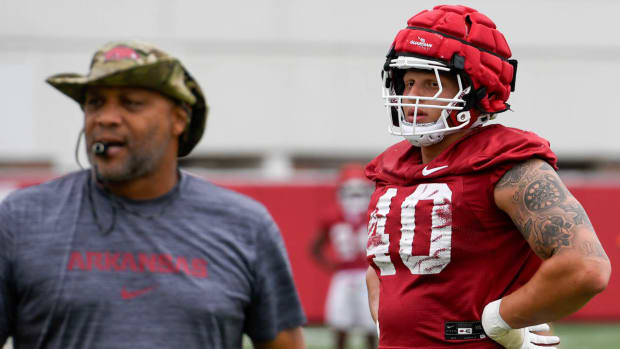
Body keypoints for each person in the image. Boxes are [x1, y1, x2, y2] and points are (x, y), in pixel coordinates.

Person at [0, 40, 306, 349]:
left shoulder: (245, 226)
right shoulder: (22, 219)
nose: (106, 117)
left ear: (179, 120)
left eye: (131, 103)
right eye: (95, 103)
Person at [364, 5, 611, 349]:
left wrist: (502, 320)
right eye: (407, 82)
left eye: (430, 84)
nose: (411, 97)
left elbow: (586, 268)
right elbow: (381, 266)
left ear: (474, 88)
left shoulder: (507, 164)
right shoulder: (391, 169)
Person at [310, 164, 377, 349]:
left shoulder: (376, 214)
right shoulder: (332, 215)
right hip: (344, 275)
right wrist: (333, 266)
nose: (355, 197)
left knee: (371, 326)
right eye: (351, 192)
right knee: (340, 325)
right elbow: (315, 247)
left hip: (368, 274)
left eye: (359, 192)